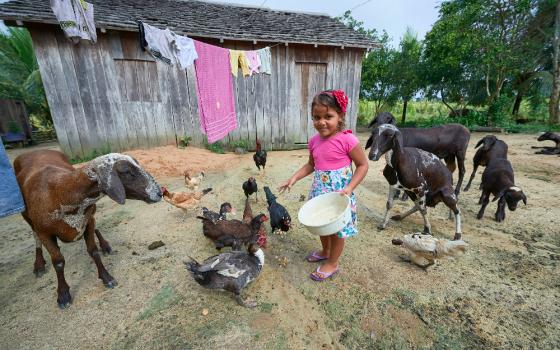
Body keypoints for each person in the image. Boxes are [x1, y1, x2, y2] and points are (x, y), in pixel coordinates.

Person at [278, 89, 369, 281]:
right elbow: (311, 165)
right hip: (320, 193)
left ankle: (332, 263)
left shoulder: (348, 140)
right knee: (321, 226)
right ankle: (325, 251)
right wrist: (293, 178)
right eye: (316, 117)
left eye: (328, 116)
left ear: (340, 116)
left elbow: (363, 165)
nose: (321, 122)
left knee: (337, 231)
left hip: (340, 196)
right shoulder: (313, 142)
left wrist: (350, 187)